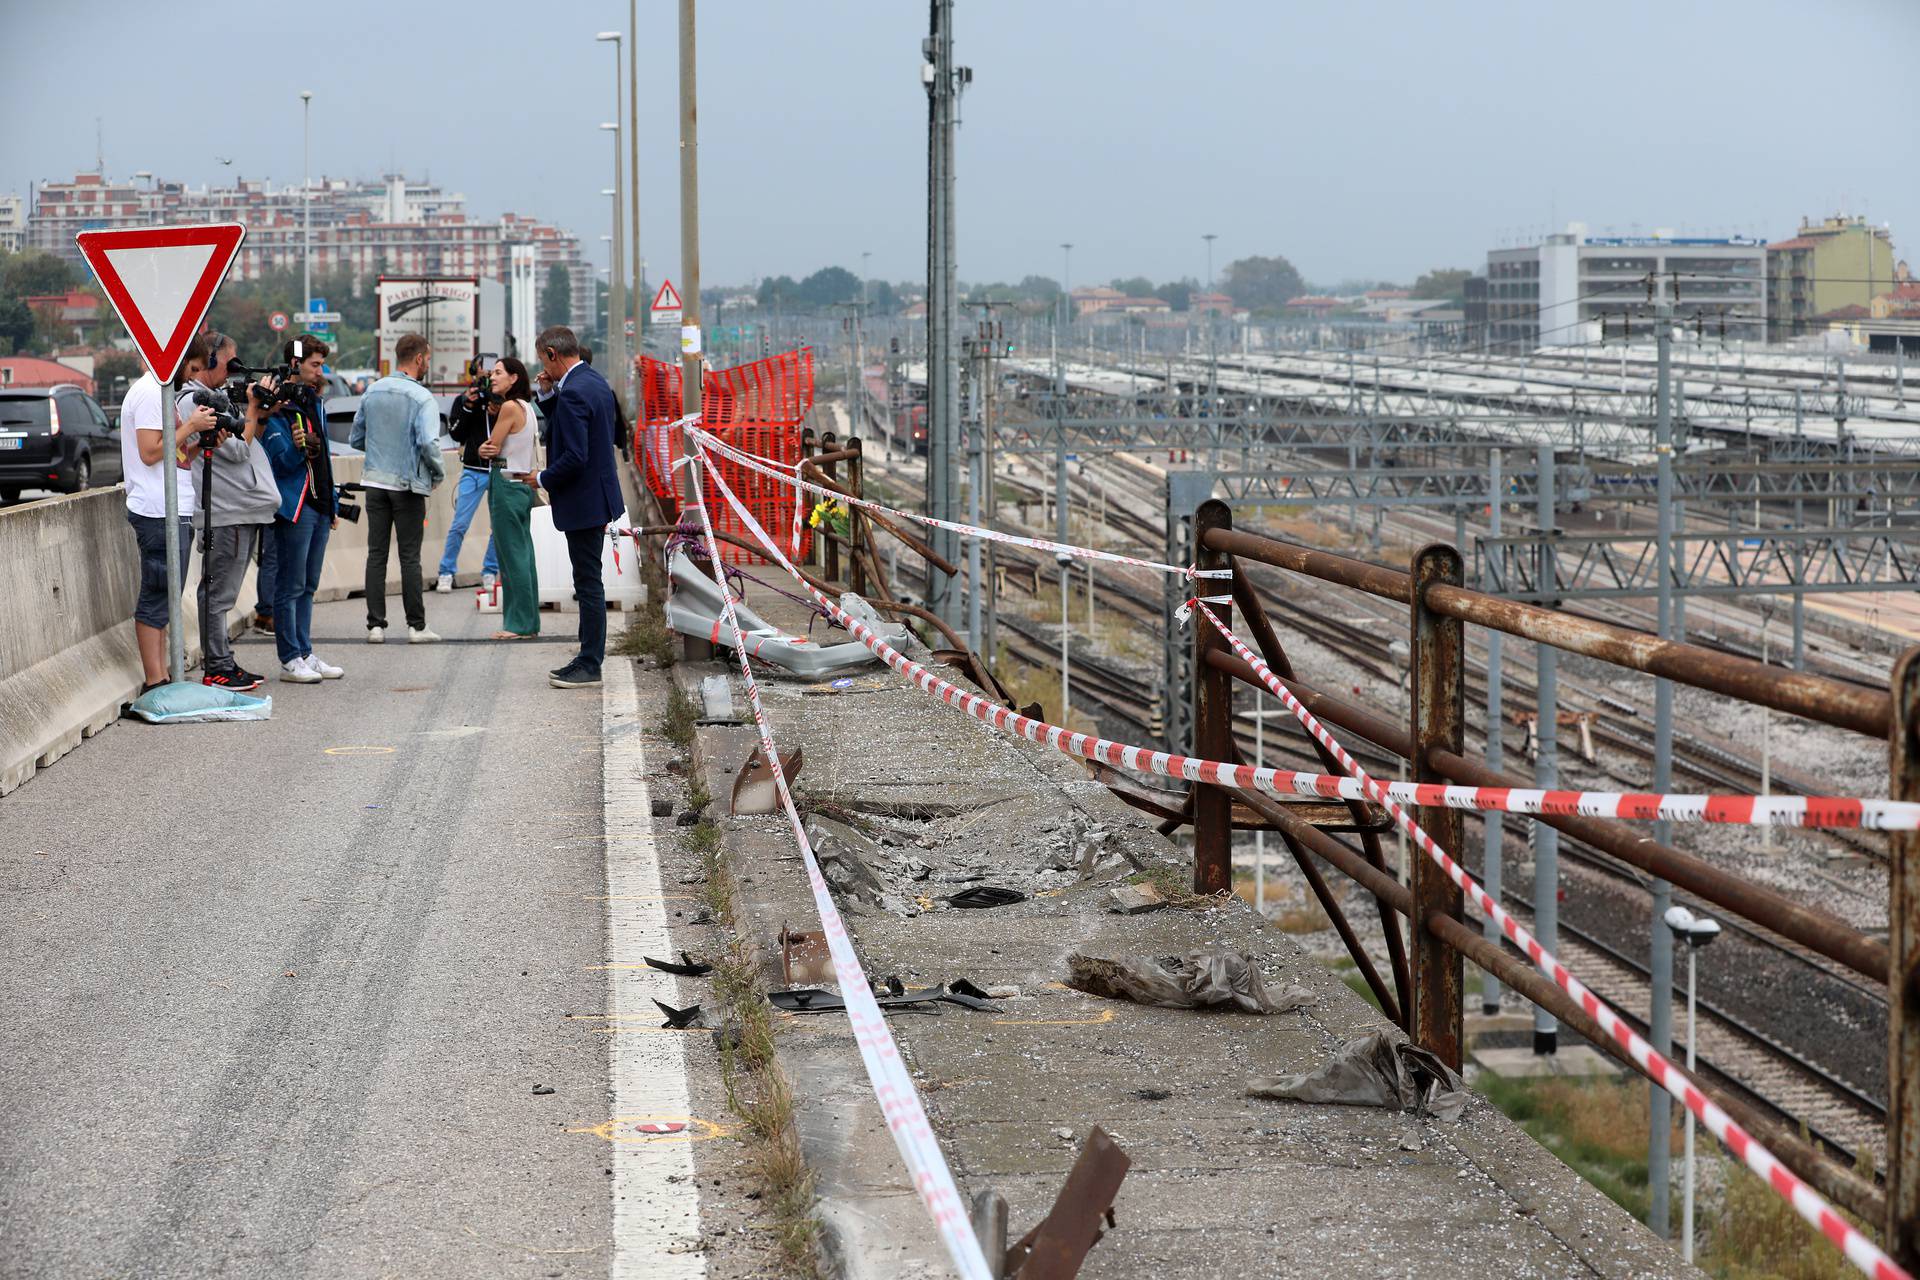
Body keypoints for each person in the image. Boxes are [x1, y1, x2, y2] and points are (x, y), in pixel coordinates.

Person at [182, 332, 279, 691]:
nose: (233, 370)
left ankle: (222, 661)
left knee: (220, 593)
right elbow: (237, 451)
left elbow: (244, 440)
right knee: (218, 594)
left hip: (238, 508)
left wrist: (261, 413)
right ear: (209, 360)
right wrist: (252, 410)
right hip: (226, 511)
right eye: (229, 361)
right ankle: (217, 668)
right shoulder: (193, 400)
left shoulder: (215, 397)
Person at [531, 325, 622, 688]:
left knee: (587, 583)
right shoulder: (594, 382)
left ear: (553, 354)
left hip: (582, 500)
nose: (543, 367)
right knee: (589, 580)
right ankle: (587, 656)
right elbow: (575, 430)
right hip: (599, 495)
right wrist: (548, 394)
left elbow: (573, 454)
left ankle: (590, 662)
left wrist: (540, 478)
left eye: (542, 360)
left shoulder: (573, 394)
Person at [121, 359, 215, 693]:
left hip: (172, 507)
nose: (192, 378)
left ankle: (161, 678)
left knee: (165, 596)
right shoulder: (148, 393)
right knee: (157, 593)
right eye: (192, 369)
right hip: (157, 510)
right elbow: (149, 452)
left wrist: (196, 441)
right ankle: (155, 679)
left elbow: (171, 452)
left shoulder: (160, 392)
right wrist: (190, 426)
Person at [350, 333, 447, 643]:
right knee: (409, 557)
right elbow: (428, 442)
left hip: (375, 483)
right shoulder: (422, 398)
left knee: (376, 554)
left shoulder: (372, 391)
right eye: (428, 358)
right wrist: (438, 472)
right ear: (419, 359)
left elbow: (355, 438)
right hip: (407, 485)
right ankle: (416, 627)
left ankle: (375, 626)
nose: (428, 363)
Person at [261, 334, 344, 683]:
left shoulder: (316, 403)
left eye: (322, 364)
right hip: (296, 506)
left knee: (309, 584)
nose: (320, 370)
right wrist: (298, 449)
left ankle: (306, 651)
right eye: (314, 364)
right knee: (290, 584)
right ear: (295, 364)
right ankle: (290, 657)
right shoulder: (278, 406)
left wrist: (333, 501)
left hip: (320, 503)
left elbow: (323, 457)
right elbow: (279, 462)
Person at [477, 356, 540, 639]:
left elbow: (492, 449)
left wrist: (482, 450)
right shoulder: (527, 407)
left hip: (505, 484)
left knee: (511, 556)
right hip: (523, 485)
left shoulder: (508, 408)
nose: (492, 377)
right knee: (523, 554)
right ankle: (528, 621)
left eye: (499, 373)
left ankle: (518, 624)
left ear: (514, 378)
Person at [438, 368, 500, 594]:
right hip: (473, 469)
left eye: (492, 375)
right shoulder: (464, 400)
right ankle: (446, 571)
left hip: (500, 469)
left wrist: (498, 409)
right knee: (460, 524)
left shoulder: (505, 400)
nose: (487, 381)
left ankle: (490, 571)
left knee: (498, 526)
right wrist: (467, 406)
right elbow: (456, 434)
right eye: (482, 376)